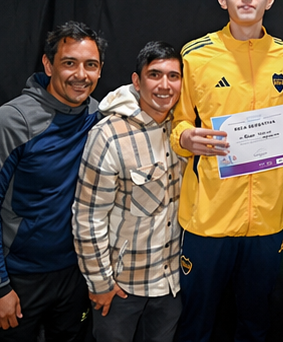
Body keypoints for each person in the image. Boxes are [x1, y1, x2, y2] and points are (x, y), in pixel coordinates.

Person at [169, 0, 283, 342]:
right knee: (196, 324)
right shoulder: (195, 55)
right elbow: (178, 121)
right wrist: (185, 138)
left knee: (256, 323)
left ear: (270, 0)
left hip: (266, 220)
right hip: (208, 219)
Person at [0, 22, 106, 340]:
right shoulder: (12, 121)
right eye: (69, 63)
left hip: (75, 275)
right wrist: (0, 286)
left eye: (91, 65)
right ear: (48, 65)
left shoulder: (99, 117)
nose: (81, 75)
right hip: (19, 278)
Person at [72, 42, 183, 342]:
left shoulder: (183, 129)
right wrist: (99, 283)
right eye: (155, 75)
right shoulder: (109, 135)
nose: (164, 85)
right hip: (122, 289)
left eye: (173, 76)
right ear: (137, 81)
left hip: (171, 287)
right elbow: (87, 217)